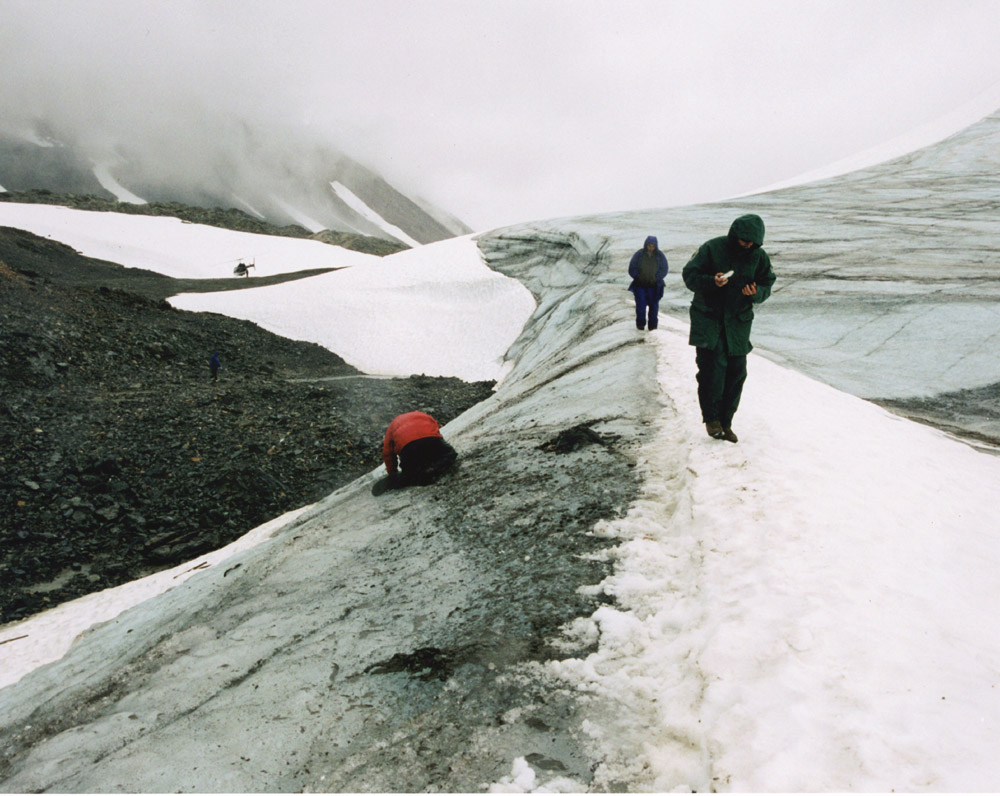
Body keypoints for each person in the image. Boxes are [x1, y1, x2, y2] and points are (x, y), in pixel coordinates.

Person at [682, 214, 776, 443]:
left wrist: (756, 293)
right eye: (744, 240)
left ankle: (726, 423)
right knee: (712, 370)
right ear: (735, 235)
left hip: (737, 323)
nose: (748, 245)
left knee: (736, 372)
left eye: (753, 242)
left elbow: (767, 282)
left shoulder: (758, 256)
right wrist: (711, 281)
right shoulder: (712, 248)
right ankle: (712, 420)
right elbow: (690, 275)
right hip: (709, 319)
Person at [371, 411, 458, 495]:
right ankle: (435, 468)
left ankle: (407, 478)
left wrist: (392, 474)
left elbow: (388, 453)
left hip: (408, 448)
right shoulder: (424, 415)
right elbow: (435, 431)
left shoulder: (392, 426)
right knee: (450, 454)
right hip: (430, 439)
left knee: (409, 475)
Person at [627, 235, 669, 330]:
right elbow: (632, 268)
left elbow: (664, 269)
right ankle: (640, 326)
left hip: (654, 287)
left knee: (654, 309)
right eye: (649, 246)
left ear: (656, 246)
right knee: (641, 307)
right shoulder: (639, 254)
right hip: (640, 286)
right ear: (646, 245)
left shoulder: (660, 256)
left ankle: (653, 328)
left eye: (653, 246)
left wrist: (656, 278)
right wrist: (638, 277)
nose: (651, 248)